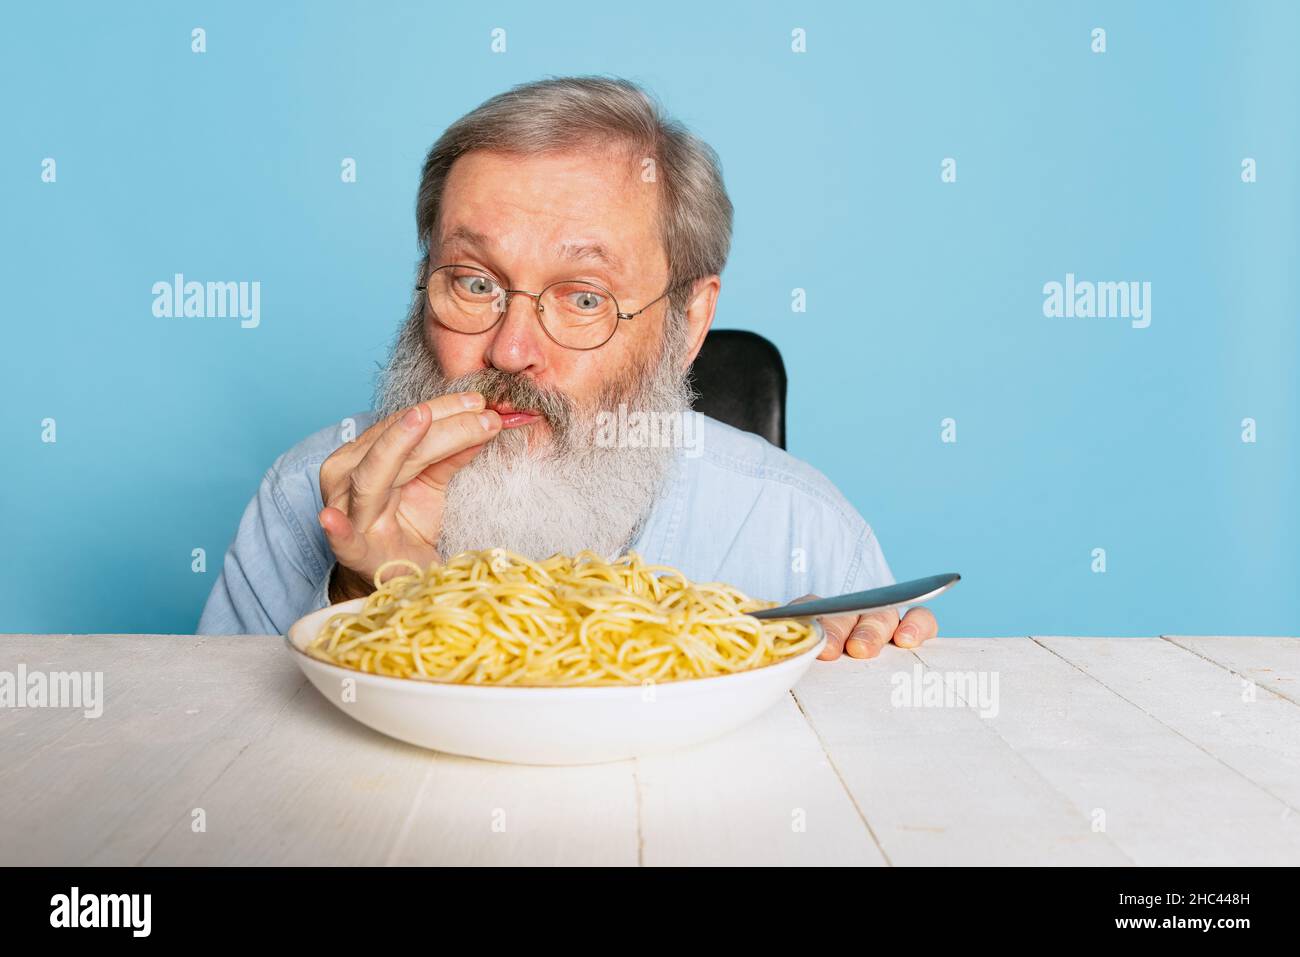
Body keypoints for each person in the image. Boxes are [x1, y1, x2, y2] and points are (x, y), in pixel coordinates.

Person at [198, 76, 939, 659]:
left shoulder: (802, 534)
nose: (510, 350)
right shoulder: (303, 497)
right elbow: (224, 790)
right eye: (474, 282)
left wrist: (868, 670)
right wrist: (370, 590)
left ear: (688, 322)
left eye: (583, 298)